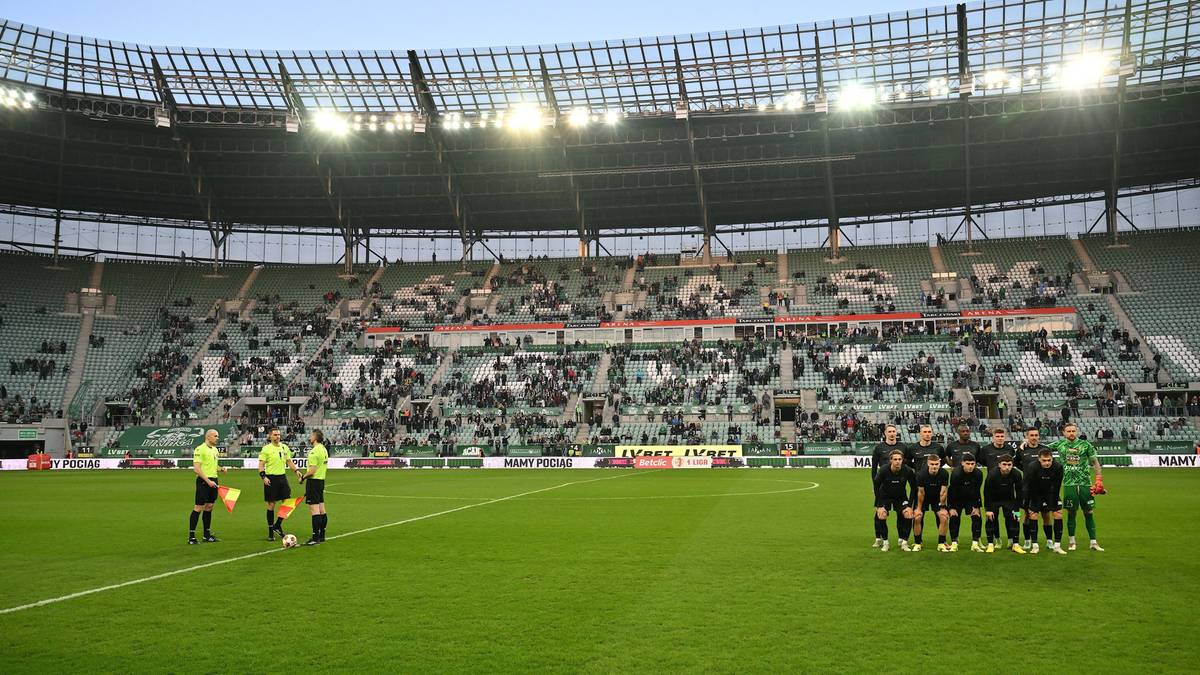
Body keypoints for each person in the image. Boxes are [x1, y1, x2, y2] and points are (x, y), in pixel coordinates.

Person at [1050, 423, 1104, 551]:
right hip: (1069, 484)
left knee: (1089, 512)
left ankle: (1093, 542)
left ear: (1077, 431)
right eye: (1068, 431)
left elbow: (1095, 462)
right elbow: (1040, 449)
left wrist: (1099, 479)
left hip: (1085, 483)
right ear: (1064, 433)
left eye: (1073, 431)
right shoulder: (1059, 444)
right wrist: (1025, 444)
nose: (1071, 433)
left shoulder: (1086, 445)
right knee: (1071, 512)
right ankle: (1071, 541)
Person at [259, 427, 302, 541]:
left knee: (287, 502)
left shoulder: (284, 447)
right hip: (271, 478)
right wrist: (264, 477)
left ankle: (277, 525)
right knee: (271, 505)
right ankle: (270, 532)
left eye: (278, 434)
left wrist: (296, 471)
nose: (277, 436)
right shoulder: (266, 449)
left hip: (282, 477)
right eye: (275, 435)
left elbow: (289, 461)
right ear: (270, 436)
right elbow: (261, 465)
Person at [1022, 448, 1068, 555]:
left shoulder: (1058, 467)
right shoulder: (1032, 467)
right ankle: (1035, 545)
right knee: (1033, 516)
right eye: (1044, 460)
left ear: (1052, 459)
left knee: (1058, 515)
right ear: (1039, 459)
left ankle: (1057, 546)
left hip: (1051, 493)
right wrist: (1028, 502)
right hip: (1035, 493)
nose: (1047, 463)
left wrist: (1053, 503)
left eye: (1049, 460)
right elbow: (1029, 485)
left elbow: (1057, 486)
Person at [189, 429, 228, 545]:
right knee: (198, 507)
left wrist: (221, 469)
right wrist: (207, 480)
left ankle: (207, 535)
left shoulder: (215, 450)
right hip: (203, 481)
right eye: (215, 436)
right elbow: (197, 468)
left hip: (214, 480)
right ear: (208, 436)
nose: (217, 438)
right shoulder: (200, 449)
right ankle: (191, 536)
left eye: (218, 436)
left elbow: (213, 465)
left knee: (210, 506)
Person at [873, 450, 917, 552]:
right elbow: (876, 486)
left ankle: (904, 542)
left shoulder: (908, 471)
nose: (898, 461)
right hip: (885, 496)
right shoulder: (883, 470)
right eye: (895, 459)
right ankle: (885, 542)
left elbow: (914, 488)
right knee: (881, 514)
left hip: (900, 497)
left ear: (903, 460)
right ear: (890, 460)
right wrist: (879, 505)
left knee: (908, 514)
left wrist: (910, 505)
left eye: (900, 459)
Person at [1017, 427, 1053, 550]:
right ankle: (1028, 541)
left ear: (1039, 436)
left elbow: (1050, 464)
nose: (1034, 437)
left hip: (1044, 487)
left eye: (1036, 435)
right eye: (1031, 435)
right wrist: (1026, 472)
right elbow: (1016, 462)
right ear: (1027, 436)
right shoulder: (1022, 450)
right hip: (1027, 488)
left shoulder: (1044, 449)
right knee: (1027, 514)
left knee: (1046, 514)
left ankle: (1049, 540)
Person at [982, 454, 1026, 554]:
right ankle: (990, 544)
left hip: (1009, 499)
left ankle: (1015, 545)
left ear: (1012, 465)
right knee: (990, 519)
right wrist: (988, 509)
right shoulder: (992, 474)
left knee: (1015, 519)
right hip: (994, 499)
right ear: (999, 465)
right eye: (1004, 464)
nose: (1007, 467)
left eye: (1009, 464)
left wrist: (1017, 509)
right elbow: (986, 492)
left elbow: (1020, 492)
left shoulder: (1016, 474)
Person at [870, 424, 905, 548]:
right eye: (889, 431)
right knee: (879, 514)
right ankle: (878, 538)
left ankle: (901, 538)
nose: (892, 433)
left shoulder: (902, 447)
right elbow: (874, 469)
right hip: (882, 487)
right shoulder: (879, 448)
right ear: (885, 433)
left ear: (896, 433)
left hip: (899, 486)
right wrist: (874, 486)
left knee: (901, 514)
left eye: (894, 431)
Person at [947, 452, 984, 552]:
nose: (970, 466)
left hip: (971, 499)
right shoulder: (956, 473)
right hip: (957, 499)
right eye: (968, 464)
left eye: (972, 464)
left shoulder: (978, 474)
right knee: (954, 517)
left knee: (977, 517)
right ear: (962, 463)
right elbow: (952, 490)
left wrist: (977, 506)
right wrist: (951, 507)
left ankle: (975, 543)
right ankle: (954, 543)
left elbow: (977, 490)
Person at [912, 453, 950, 552]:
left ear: (939, 464)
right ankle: (917, 543)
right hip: (923, 498)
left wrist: (942, 507)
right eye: (932, 464)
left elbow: (943, 492)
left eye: (936, 464)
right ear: (928, 464)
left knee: (944, 517)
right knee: (917, 517)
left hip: (937, 499)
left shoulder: (944, 474)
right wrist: (919, 509)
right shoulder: (921, 474)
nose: (934, 466)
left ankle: (941, 543)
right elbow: (921, 493)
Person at [299, 429, 330, 546]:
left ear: (315, 438)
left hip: (313, 482)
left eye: (311, 435)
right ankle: (322, 535)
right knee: (322, 509)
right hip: (321, 481)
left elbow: (312, 471)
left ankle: (315, 537)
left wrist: (303, 477)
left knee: (314, 510)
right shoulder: (324, 449)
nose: (309, 437)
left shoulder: (314, 452)